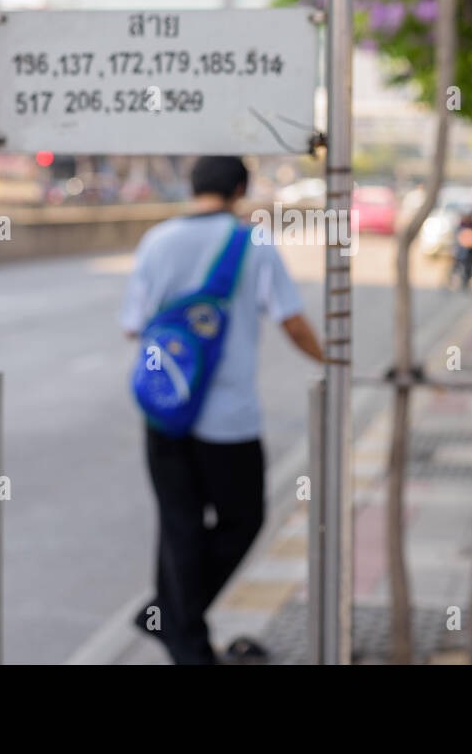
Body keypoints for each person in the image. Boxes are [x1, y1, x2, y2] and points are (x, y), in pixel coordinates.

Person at [120, 155, 325, 664]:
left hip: (165, 411)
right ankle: (180, 625)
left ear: (193, 187)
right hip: (228, 419)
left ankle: (175, 621)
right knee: (243, 519)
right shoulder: (251, 242)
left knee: (178, 525)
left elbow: (133, 324)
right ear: (239, 188)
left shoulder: (158, 240)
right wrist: (335, 360)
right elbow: (292, 322)